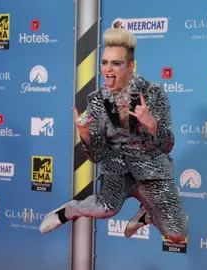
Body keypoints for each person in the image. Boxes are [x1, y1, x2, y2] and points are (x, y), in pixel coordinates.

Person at [39, 27, 188, 243]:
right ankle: (69, 210)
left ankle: (147, 214)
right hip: (117, 169)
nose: (108, 69)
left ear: (131, 66)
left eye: (116, 63)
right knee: (104, 209)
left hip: (152, 169)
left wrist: (151, 124)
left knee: (177, 234)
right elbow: (97, 155)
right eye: (104, 62)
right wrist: (86, 136)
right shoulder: (98, 100)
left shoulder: (153, 93)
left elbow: (168, 145)